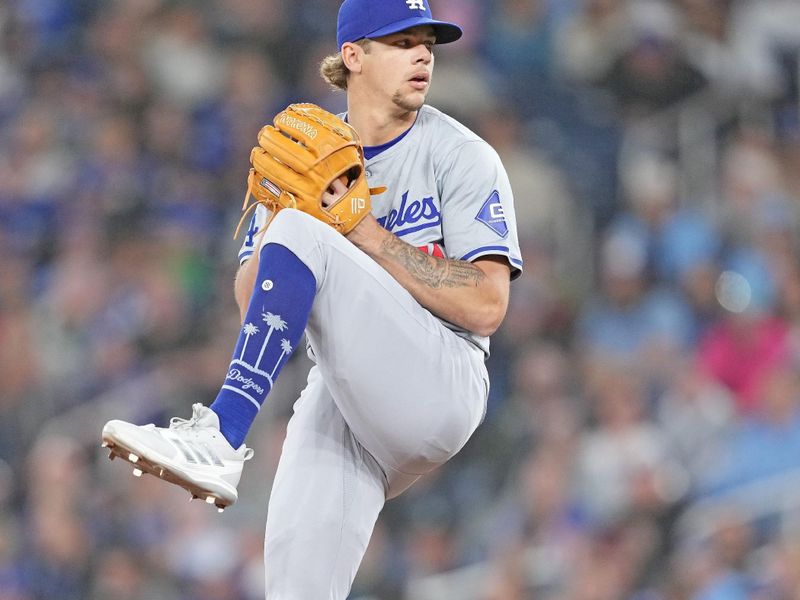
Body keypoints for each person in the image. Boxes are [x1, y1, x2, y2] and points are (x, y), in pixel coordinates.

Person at [101, 0, 522, 596]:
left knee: (308, 229)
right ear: (353, 56)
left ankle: (222, 435)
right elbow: (255, 304)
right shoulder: (304, 151)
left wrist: (362, 232)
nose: (423, 53)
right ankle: (220, 438)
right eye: (402, 41)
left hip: (443, 377)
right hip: (348, 392)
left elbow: (488, 305)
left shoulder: (461, 155)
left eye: (428, 40)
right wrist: (277, 218)